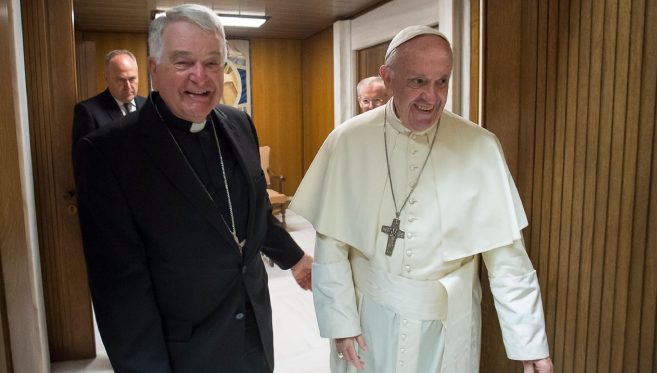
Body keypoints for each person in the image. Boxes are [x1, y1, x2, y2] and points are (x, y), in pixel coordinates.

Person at [289, 25, 553, 373]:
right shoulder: (348, 141)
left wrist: (529, 343)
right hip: (371, 318)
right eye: (418, 82)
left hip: (447, 326)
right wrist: (340, 324)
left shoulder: (480, 146)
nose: (432, 97)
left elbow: (507, 259)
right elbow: (332, 245)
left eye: (441, 81)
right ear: (388, 78)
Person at [74, 4, 312, 372]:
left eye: (213, 63)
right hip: (183, 352)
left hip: (253, 330)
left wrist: (295, 258)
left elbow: (254, 213)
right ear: (154, 69)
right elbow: (121, 295)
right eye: (183, 62)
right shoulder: (109, 152)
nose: (201, 77)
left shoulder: (238, 123)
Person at [72, 49, 146, 150]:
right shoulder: (87, 111)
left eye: (132, 79)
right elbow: (83, 159)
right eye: (120, 80)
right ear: (106, 78)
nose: (128, 86)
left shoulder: (148, 105)